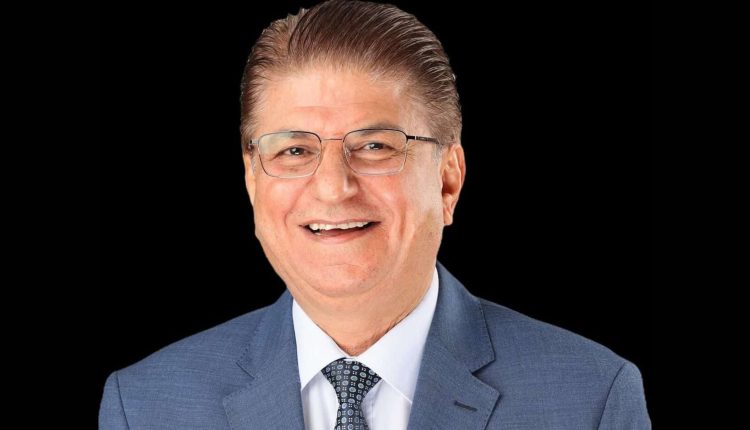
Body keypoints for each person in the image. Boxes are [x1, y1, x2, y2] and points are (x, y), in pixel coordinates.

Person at [99, 1, 650, 428]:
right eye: (294, 150)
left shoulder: (590, 399)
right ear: (251, 180)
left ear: (448, 180)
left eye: (375, 147)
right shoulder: (144, 407)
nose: (333, 188)